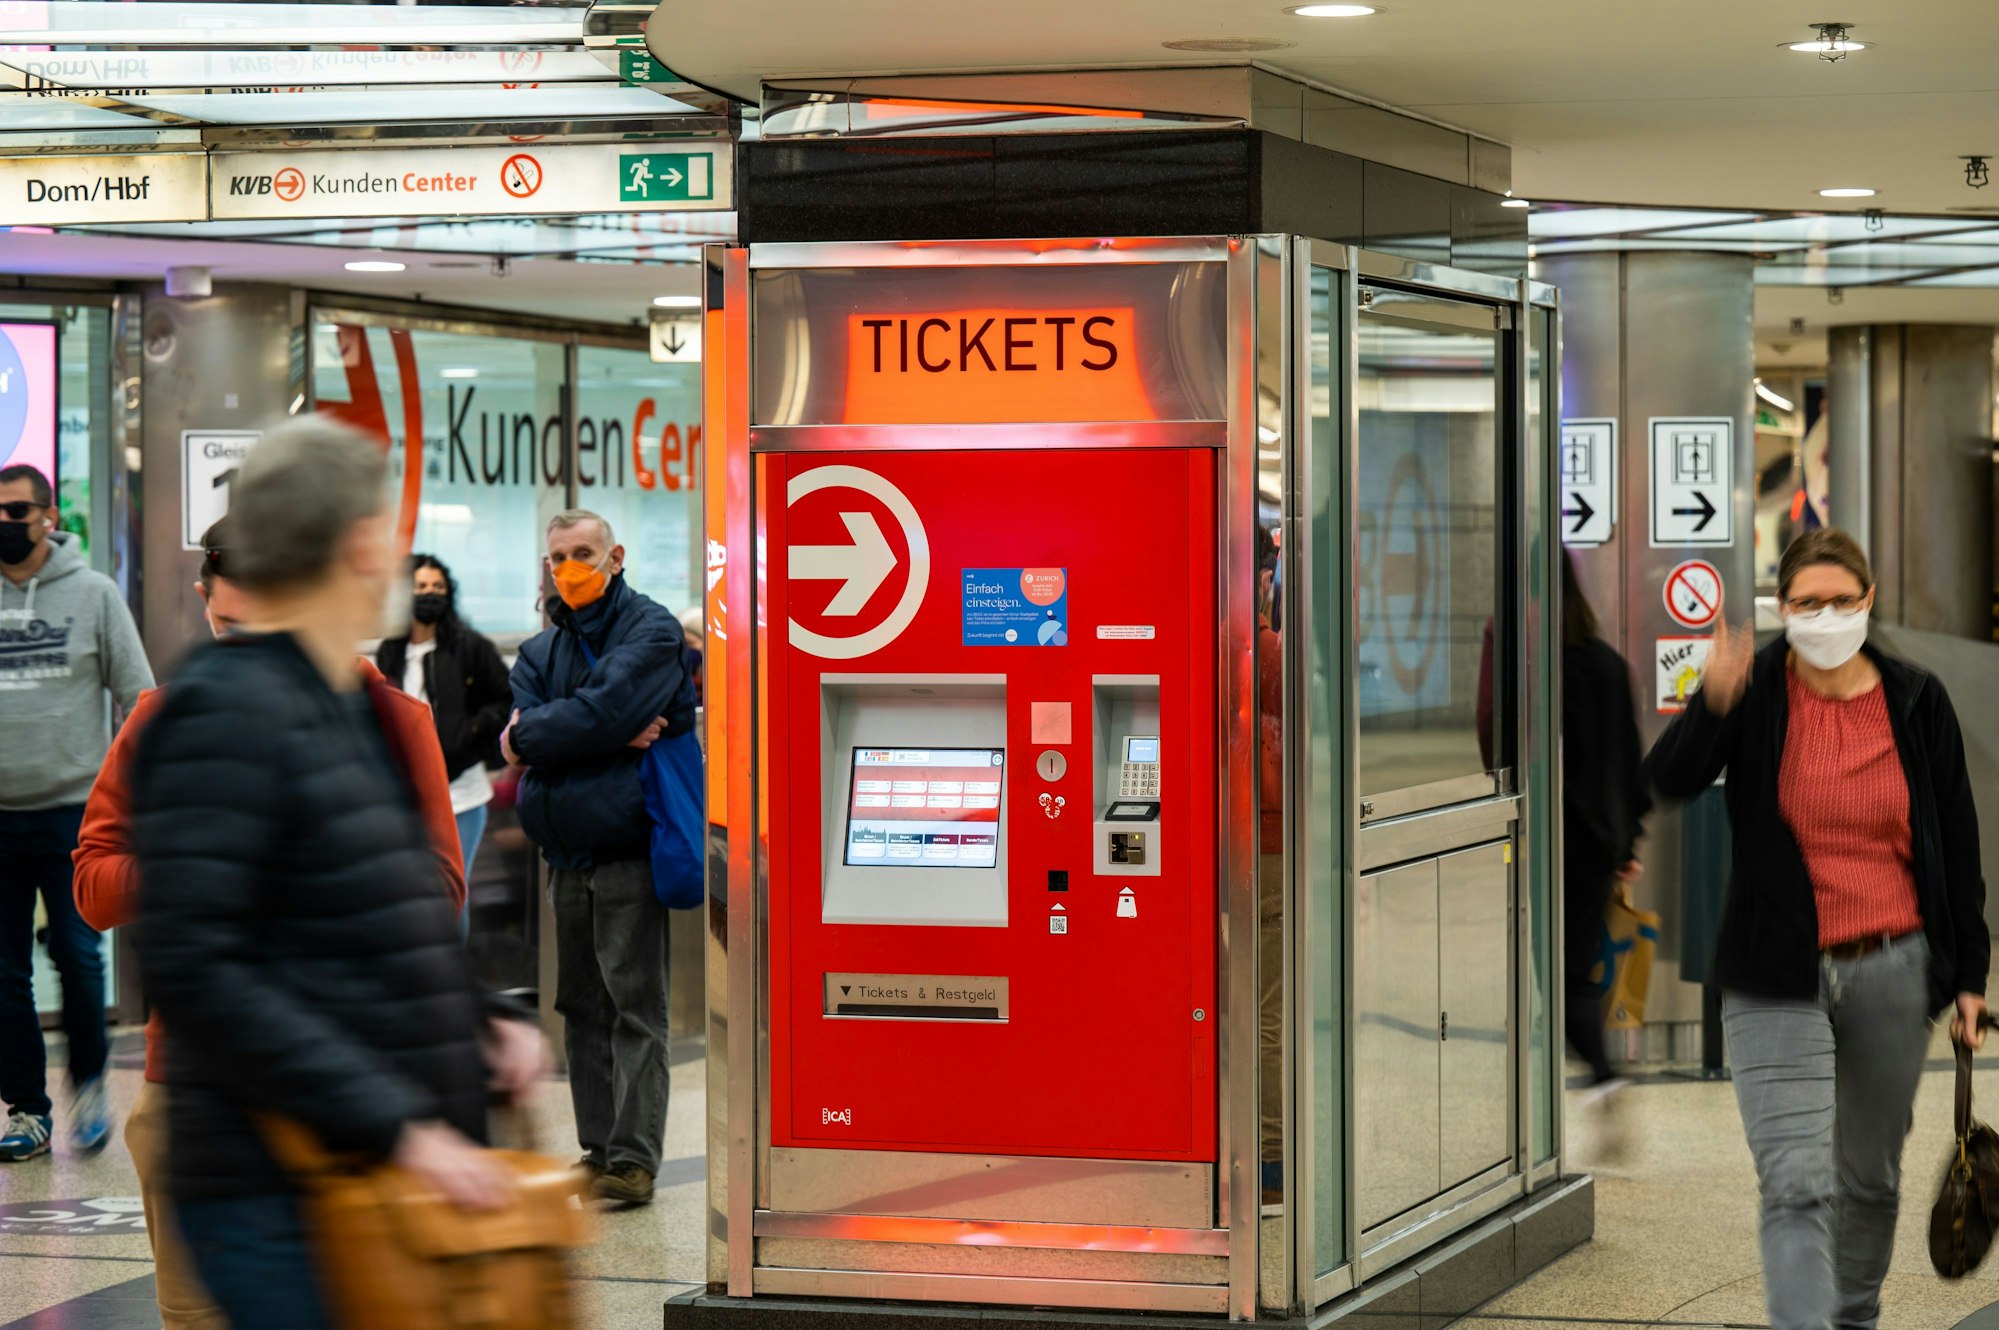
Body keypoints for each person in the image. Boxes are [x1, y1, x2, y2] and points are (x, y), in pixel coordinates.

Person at [132, 419, 542, 1329]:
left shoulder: (341, 704)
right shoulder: (223, 713)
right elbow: (201, 969)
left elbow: (371, 908)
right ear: (360, 543)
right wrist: (397, 1128)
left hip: (362, 1182)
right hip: (283, 1194)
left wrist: (485, 1021)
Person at [74, 518, 466, 1330]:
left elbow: (437, 891)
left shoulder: (393, 721)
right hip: (193, 1084)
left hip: (349, 1081)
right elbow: (94, 888)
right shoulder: (162, 721)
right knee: (197, 1315)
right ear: (205, 603)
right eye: (230, 628)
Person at [1645, 529, 1987, 1330]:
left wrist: (1968, 977)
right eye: (1806, 603)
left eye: (1841, 600)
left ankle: (1852, 1320)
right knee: (1796, 1185)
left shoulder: (1914, 698)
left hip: (1893, 968)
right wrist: (1712, 700)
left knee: (1868, 1181)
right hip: (1774, 971)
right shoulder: (1753, 687)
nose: (1825, 615)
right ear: (1780, 608)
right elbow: (1665, 780)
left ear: (1867, 600)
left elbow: (1957, 846)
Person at [505, 509, 692, 1206]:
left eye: (582, 553)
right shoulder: (539, 652)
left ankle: (635, 1160)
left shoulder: (651, 629)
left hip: (627, 849)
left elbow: (586, 716)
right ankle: (597, 1150)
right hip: (564, 851)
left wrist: (551, 733)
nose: (568, 568)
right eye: (557, 558)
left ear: (615, 556)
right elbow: (564, 723)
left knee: (633, 1004)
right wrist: (591, 731)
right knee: (579, 1005)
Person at [0, 462, 154, 1164]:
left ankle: (90, 1088)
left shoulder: (93, 595)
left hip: (74, 813)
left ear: (48, 515)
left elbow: (139, 697)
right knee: (4, 972)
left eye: (16, 511)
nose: (5, 523)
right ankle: (27, 1110)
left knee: (78, 957)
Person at [1557, 552, 1650, 1101]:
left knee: (1562, 970)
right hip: (1599, 843)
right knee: (1579, 959)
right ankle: (1600, 1069)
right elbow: (1629, 761)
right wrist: (1626, 841)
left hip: (1555, 840)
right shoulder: (1609, 664)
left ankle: (1601, 1070)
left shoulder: (1538, 673)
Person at [378, 553, 513, 902]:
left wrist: (468, 731)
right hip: (404, 794)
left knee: (452, 895)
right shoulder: (391, 651)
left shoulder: (470, 646)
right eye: (420, 586)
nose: (430, 593)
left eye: (437, 586)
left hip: (461, 793)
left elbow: (506, 700)